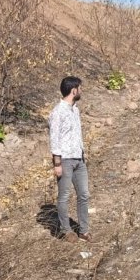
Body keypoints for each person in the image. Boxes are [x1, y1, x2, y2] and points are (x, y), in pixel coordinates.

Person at [49, 76, 90, 242]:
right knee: (64, 196)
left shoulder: (75, 109)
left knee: (84, 194)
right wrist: (57, 163)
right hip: (65, 160)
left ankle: (84, 230)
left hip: (79, 159)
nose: (81, 91)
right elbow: (54, 138)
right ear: (74, 90)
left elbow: (76, 134)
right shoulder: (57, 112)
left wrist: (82, 152)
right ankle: (66, 230)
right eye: (80, 88)